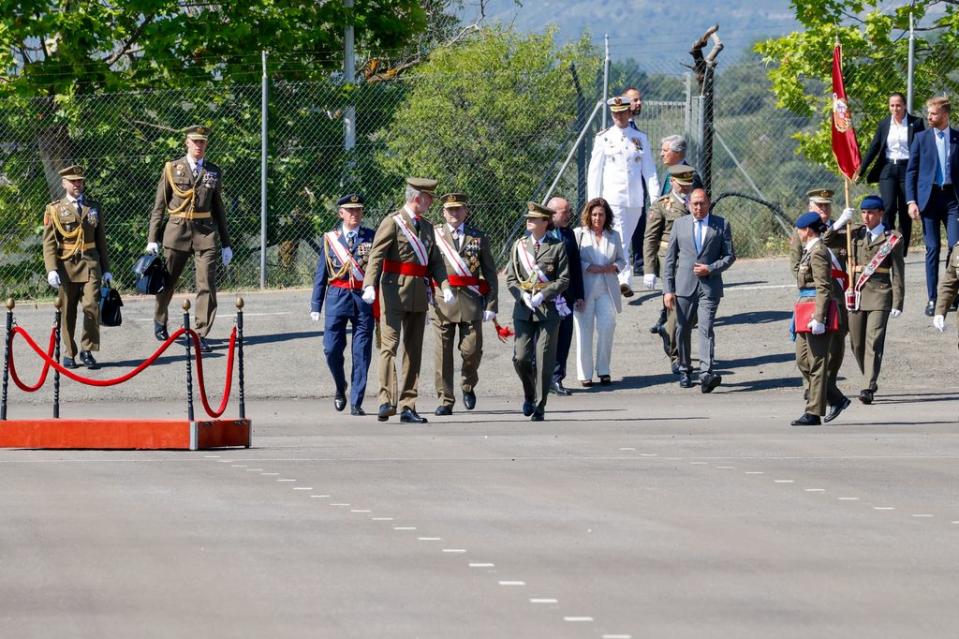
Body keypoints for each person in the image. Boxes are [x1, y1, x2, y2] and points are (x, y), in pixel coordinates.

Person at [362, 177, 451, 424]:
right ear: (416, 198)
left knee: (413, 351)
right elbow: (376, 256)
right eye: (428, 197)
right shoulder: (392, 223)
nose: (431, 201)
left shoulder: (428, 227)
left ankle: (408, 405)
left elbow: (435, 262)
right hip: (392, 292)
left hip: (418, 296)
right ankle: (385, 401)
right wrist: (369, 284)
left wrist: (445, 285)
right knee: (388, 348)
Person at [147, 125, 232, 353]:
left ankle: (201, 333)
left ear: (206, 144)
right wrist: (152, 238)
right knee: (168, 281)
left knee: (207, 285)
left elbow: (218, 208)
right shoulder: (172, 169)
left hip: (205, 233)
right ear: (186, 143)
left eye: (202, 142)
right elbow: (159, 206)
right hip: (177, 231)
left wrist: (226, 242)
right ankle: (160, 318)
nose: (198, 146)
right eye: (194, 141)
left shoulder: (213, 171)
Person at [431, 193, 498, 416]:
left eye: (458, 209)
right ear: (443, 212)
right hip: (443, 300)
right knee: (443, 354)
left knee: (472, 350)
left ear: (466, 211)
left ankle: (468, 384)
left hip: (470, 301)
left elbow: (490, 273)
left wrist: (492, 304)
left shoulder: (478, 238)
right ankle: (445, 399)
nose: (454, 213)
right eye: (450, 209)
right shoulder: (434, 235)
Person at [663, 188, 736, 392]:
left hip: (709, 286)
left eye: (702, 203)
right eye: (694, 203)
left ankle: (706, 374)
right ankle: (685, 369)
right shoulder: (679, 225)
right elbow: (669, 260)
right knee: (682, 328)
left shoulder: (721, 224)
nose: (698, 207)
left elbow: (729, 256)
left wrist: (710, 268)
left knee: (706, 328)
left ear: (708, 202)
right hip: (684, 286)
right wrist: (667, 290)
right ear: (688, 205)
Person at [587, 95, 659, 297]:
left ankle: (614, 272)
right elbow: (595, 171)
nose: (618, 116)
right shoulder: (604, 138)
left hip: (635, 199)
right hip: (612, 197)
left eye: (622, 112)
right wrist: (593, 201)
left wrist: (655, 199)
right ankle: (624, 277)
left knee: (624, 237)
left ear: (629, 112)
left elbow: (649, 170)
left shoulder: (639, 138)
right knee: (620, 234)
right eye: (615, 113)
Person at [310, 194, 376, 416]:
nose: (355, 214)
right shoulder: (331, 239)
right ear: (341, 213)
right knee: (331, 349)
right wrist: (316, 305)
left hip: (363, 298)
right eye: (350, 210)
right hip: (337, 297)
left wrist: (374, 289)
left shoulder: (371, 237)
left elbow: (378, 268)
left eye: (358, 210)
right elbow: (322, 273)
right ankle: (340, 387)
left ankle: (357, 401)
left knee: (362, 353)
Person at [42, 165, 112, 370]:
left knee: (91, 306)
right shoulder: (54, 209)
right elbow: (48, 242)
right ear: (64, 184)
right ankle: (69, 352)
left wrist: (106, 268)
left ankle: (87, 350)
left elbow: (101, 241)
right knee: (68, 311)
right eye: (73, 182)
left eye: (80, 181)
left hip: (91, 263)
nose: (77, 185)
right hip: (66, 265)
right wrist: (51, 269)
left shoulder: (94, 207)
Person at [506, 202, 570, 421]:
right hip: (524, 309)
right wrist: (521, 295)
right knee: (521, 358)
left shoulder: (557, 246)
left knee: (544, 357)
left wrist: (544, 294)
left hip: (548, 309)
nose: (529, 221)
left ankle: (541, 405)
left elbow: (564, 279)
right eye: (528, 218)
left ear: (545, 222)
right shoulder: (519, 246)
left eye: (534, 218)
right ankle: (529, 394)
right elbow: (512, 278)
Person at [842, 195, 905, 405]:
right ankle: (869, 376)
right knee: (856, 344)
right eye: (863, 212)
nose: (866, 216)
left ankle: (868, 385)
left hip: (880, 294)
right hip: (857, 295)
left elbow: (898, 272)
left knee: (873, 341)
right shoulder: (855, 233)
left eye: (870, 212)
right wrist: (841, 222)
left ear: (880, 214)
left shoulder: (892, 239)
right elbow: (827, 241)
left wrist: (898, 301)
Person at [791, 212, 851, 426]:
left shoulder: (818, 252)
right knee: (802, 360)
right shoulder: (810, 251)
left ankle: (813, 413)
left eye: (800, 229)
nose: (798, 233)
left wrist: (820, 318)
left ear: (807, 230)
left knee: (817, 362)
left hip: (816, 311)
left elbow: (823, 287)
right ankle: (836, 398)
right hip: (804, 309)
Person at [906, 95, 959, 317]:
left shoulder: (957, 138)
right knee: (932, 248)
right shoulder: (921, 138)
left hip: (952, 200)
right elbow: (911, 172)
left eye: (933, 113)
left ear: (945, 115)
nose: (929, 116)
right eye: (928, 112)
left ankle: (951, 293)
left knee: (955, 247)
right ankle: (932, 298)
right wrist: (911, 201)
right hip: (928, 199)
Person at [857, 92, 924, 255]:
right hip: (888, 168)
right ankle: (886, 244)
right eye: (892, 105)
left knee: (905, 208)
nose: (895, 108)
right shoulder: (885, 124)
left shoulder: (916, 123)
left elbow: (923, 148)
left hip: (908, 169)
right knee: (888, 207)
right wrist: (861, 170)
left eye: (898, 105)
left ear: (905, 106)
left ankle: (902, 249)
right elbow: (874, 148)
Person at [644, 164, 695, 373]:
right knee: (676, 308)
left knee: (693, 312)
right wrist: (649, 269)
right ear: (672, 182)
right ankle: (677, 357)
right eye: (681, 184)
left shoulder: (697, 202)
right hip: (670, 261)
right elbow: (651, 238)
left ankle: (667, 331)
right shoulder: (662, 205)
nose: (685, 188)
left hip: (693, 260)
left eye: (688, 184)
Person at [573, 197, 626, 386]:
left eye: (601, 214)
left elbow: (622, 260)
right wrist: (588, 266)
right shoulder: (579, 234)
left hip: (606, 290)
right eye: (594, 214)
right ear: (589, 215)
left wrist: (613, 267)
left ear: (606, 216)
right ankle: (585, 374)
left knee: (607, 327)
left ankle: (604, 370)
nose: (597, 218)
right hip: (584, 291)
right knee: (584, 332)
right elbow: (571, 261)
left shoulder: (614, 235)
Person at [546, 196, 585, 396]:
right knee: (543, 338)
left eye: (569, 211)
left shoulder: (568, 233)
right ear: (553, 213)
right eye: (565, 211)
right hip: (544, 296)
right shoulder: (539, 231)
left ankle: (556, 378)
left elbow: (575, 266)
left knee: (564, 337)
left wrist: (579, 294)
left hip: (566, 298)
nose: (569, 215)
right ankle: (538, 377)